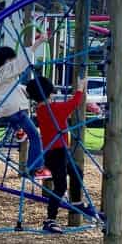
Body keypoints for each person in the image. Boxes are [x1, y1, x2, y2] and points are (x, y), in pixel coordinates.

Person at [0, 33, 52, 179]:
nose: (13, 62)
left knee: (19, 125)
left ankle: (19, 132)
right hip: (17, 111)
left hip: (5, 113)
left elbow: (14, 88)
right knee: (35, 136)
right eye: (12, 59)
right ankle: (36, 168)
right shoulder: (6, 70)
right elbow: (22, 61)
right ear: (6, 60)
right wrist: (39, 42)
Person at [30, 76, 88, 233]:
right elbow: (73, 104)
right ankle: (50, 219)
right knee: (60, 186)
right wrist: (80, 89)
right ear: (49, 92)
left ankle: (76, 204)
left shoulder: (41, 110)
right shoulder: (53, 109)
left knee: (77, 173)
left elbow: (64, 106)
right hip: (58, 153)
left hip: (55, 152)